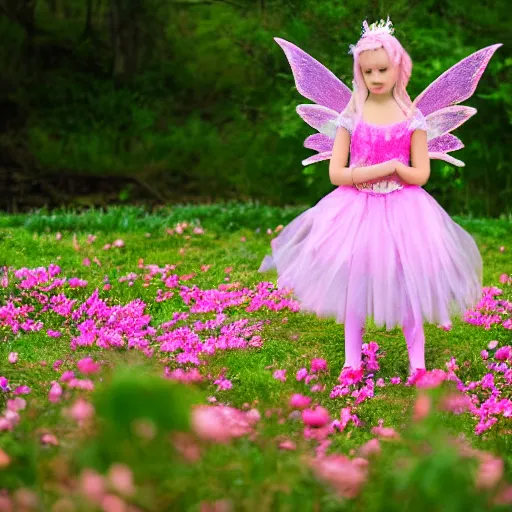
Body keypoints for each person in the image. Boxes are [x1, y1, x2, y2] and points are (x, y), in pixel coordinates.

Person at [259, 18, 502, 375]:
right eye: (367, 70)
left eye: (382, 69)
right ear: (359, 72)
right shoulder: (351, 116)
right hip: (356, 208)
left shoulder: (412, 118)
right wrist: (378, 170)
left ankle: (417, 365)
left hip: (406, 208)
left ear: (398, 67)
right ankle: (351, 362)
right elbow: (336, 173)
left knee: (408, 288)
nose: (375, 77)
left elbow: (421, 174)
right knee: (355, 284)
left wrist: (398, 170)